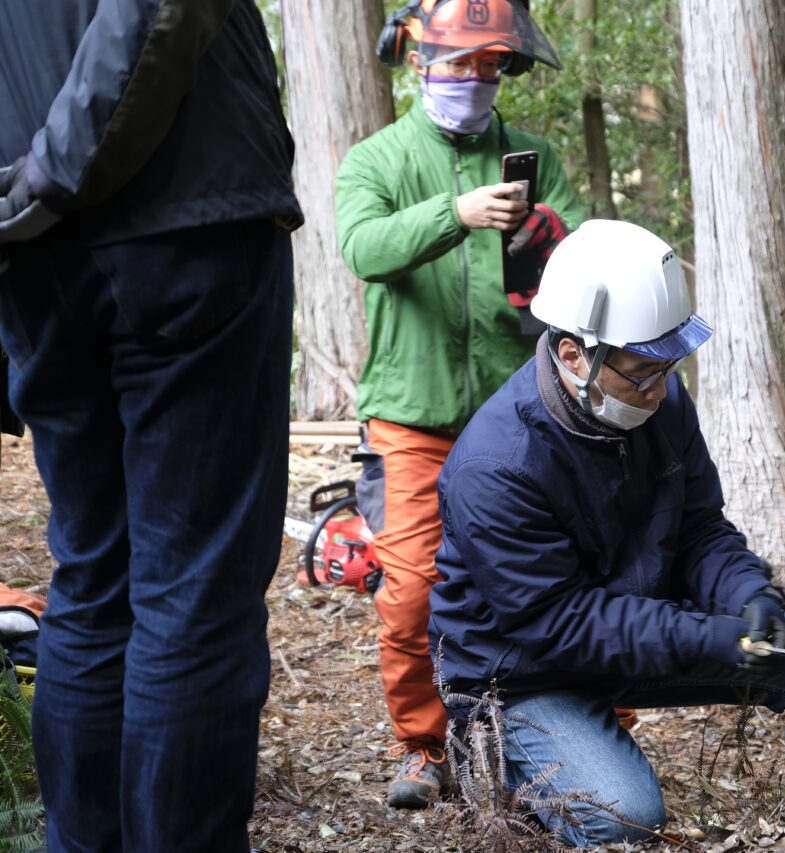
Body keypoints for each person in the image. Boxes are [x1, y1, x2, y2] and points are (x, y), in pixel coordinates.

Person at [429, 220, 785, 848]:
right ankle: (510, 764)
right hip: (524, 674)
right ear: (573, 356)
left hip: (634, 633)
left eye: (669, 368)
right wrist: (714, 638)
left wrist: (750, 601)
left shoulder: (656, 402)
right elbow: (560, 623)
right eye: (642, 371)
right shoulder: (495, 466)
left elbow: (700, 528)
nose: (660, 388)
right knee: (624, 817)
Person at [0, 1, 300, 851]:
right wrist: (53, 177)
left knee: (95, 581)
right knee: (191, 591)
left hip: (33, 254)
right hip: (178, 212)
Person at [335, 0, 585, 810]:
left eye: (490, 64)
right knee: (410, 591)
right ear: (416, 60)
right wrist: (457, 212)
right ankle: (421, 747)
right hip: (412, 413)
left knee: (552, 575)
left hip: (517, 415)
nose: (474, 79)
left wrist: (550, 232)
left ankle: (569, 736)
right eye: (459, 63)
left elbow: (583, 257)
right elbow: (363, 247)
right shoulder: (375, 158)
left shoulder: (532, 156)